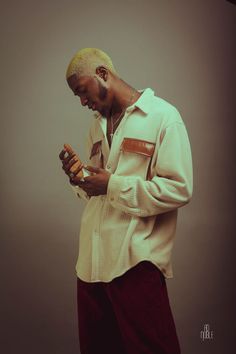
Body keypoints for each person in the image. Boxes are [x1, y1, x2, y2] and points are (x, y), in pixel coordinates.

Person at [59, 47, 193, 354]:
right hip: (90, 267)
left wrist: (112, 185)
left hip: (134, 265)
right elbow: (99, 190)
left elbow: (180, 189)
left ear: (103, 74)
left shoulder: (163, 117)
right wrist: (78, 178)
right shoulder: (97, 125)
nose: (82, 102)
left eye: (82, 91)